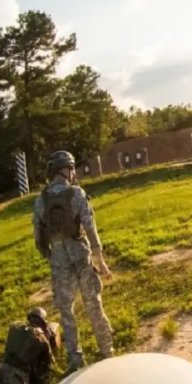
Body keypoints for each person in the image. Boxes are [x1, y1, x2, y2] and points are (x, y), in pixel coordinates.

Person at [32, 150, 114, 371]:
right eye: (72, 168)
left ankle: (76, 360)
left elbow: (39, 240)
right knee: (93, 304)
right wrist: (101, 261)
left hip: (60, 264)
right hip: (81, 257)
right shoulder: (76, 193)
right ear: (66, 169)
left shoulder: (40, 200)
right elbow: (90, 228)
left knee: (67, 313)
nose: (74, 172)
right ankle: (107, 351)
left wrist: (53, 257)